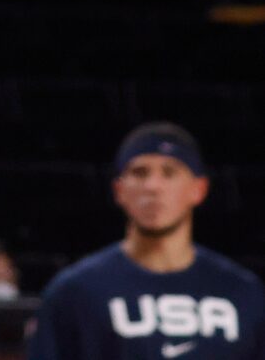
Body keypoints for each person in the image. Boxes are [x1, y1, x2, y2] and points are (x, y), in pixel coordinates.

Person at [28, 124, 264, 360]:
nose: (153, 187)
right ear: (119, 190)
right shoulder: (74, 292)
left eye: (169, 172)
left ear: (198, 189)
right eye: (140, 173)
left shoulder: (243, 292)